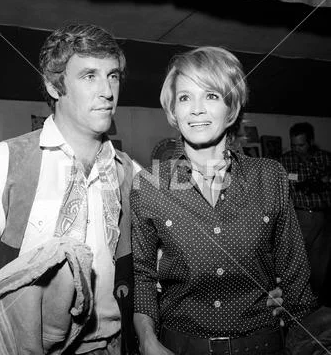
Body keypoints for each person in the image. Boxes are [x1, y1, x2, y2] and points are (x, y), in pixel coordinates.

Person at [0, 23, 140, 355]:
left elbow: (165, 266)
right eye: (89, 76)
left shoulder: (132, 173)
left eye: (112, 76)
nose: (107, 91)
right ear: (54, 86)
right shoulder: (1, 163)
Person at [130, 46, 318, 355]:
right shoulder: (149, 185)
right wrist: (148, 342)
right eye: (185, 97)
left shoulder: (269, 177)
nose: (197, 109)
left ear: (231, 109)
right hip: (179, 346)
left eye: (212, 96)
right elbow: (143, 277)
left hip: (263, 345)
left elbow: (296, 280)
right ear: (173, 111)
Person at [280, 122, 331, 302]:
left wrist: (323, 181)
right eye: (294, 145)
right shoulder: (286, 160)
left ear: (310, 141)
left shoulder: (325, 158)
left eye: (301, 145)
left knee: (320, 262)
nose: (297, 149)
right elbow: (286, 180)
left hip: (323, 215)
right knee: (298, 259)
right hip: (301, 215)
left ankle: (314, 298)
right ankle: (295, 297)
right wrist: (308, 179)